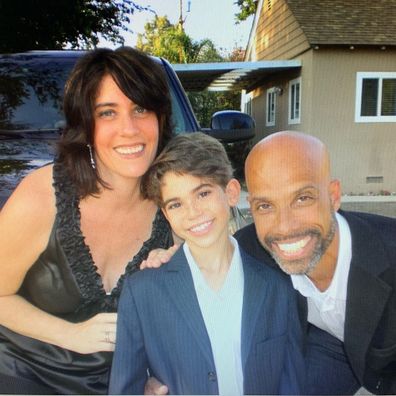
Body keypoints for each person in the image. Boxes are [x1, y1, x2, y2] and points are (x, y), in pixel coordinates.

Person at [0, 47, 175, 394]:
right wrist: (72, 334)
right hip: (22, 372)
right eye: (108, 112)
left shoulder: (178, 206)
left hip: (117, 385)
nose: (129, 129)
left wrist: (158, 374)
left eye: (140, 109)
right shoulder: (44, 194)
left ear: (160, 118)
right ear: (87, 125)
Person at [109, 133, 305, 395]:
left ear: (231, 192)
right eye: (176, 204)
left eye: (202, 193)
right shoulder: (142, 292)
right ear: (166, 213)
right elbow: (125, 387)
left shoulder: (276, 286)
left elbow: (291, 383)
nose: (193, 213)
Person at [235, 131, 396, 395]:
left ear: (333, 196)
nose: (284, 226)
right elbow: (210, 258)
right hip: (328, 345)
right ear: (252, 208)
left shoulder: (389, 257)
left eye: (302, 198)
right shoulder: (252, 247)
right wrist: (166, 260)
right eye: (265, 206)